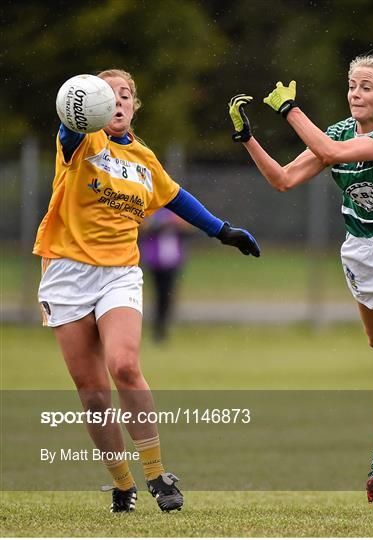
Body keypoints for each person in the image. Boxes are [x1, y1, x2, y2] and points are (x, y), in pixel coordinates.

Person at [228, 31, 373, 506]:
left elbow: (332, 156)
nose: (354, 93)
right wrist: (248, 138)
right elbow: (284, 180)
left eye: (366, 87)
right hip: (366, 254)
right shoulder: (338, 130)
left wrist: (290, 111)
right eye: (351, 85)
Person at [33, 69, 260, 514]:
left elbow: (175, 197)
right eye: (108, 95)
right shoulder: (83, 141)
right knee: (93, 392)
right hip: (65, 272)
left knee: (125, 365)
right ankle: (122, 483)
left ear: (136, 106)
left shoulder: (142, 157)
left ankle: (156, 473)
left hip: (119, 271)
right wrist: (78, 107)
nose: (117, 102)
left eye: (125, 95)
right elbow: (71, 122)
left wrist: (222, 230)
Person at [139, 208, 189, 342]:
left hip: (173, 261)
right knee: (158, 294)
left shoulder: (176, 211)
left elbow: (188, 230)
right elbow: (143, 229)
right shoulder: (151, 210)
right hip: (155, 261)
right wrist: (161, 223)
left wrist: (175, 224)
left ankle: (162, 326)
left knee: (168, 295)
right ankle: (158, 327)